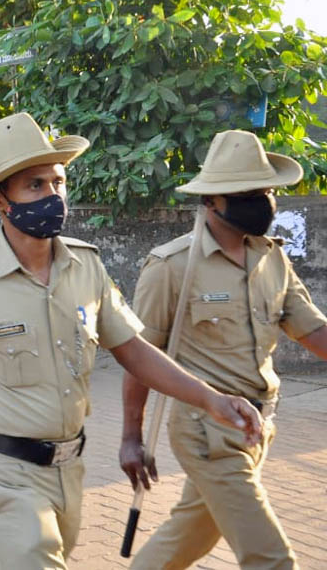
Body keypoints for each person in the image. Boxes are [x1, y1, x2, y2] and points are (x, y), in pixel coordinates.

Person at [0, 112, 263, 567]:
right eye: (34, 185)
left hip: (69, 469)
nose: (53, 195)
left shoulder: (87, 267)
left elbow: (133, 350)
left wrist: (211, 399)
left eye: (58, 182)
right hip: (3, 472)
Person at [122, 129, 327, 569]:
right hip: (206, 431)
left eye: (266, 190)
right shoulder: (172, 266)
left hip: (258, 425)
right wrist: (130, 438)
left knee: (188, 538)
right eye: (247, 193)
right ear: (212, 201)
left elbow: (312, 330)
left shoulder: (272, 257)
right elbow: (137, 357)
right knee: (272, 559)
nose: (263, 201)